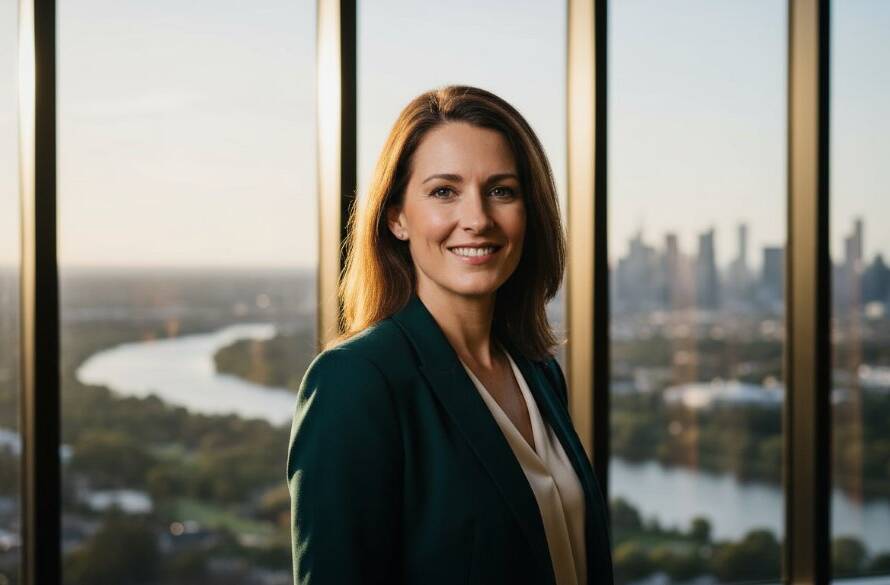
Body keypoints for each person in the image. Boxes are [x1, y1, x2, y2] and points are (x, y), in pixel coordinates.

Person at [287, 85, 613, 585]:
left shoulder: (537, 370)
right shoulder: (355, 381)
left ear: (530, 211)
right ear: (396, 216)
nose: (478, 219)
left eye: (501, 190)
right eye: (444, 191)